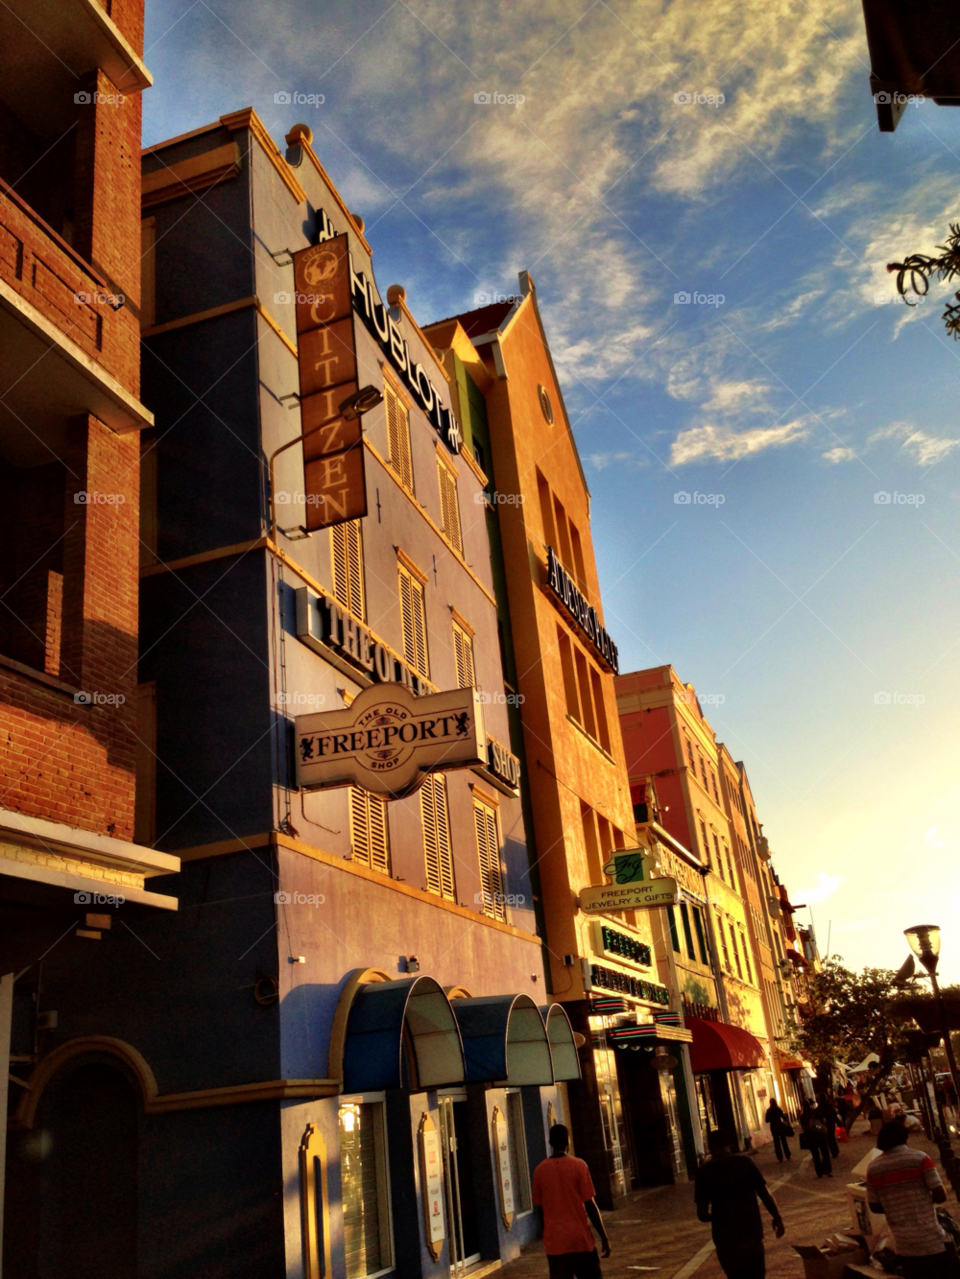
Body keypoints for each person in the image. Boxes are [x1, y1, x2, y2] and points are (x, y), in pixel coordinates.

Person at [866, 1119, 955, 1278]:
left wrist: (894, 1205)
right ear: (905, 1137)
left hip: (904, 1246)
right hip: (932, 1240)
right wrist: (920, 1200)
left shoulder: (873, 1168)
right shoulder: (920, 1158)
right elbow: (940, 1195)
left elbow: (874, 1206)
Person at [695, 1129, 785, 1279]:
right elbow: (764, 1193)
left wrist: (719, 1216)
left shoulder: (704, 1172)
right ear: (729, 1144)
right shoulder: (745, 1163)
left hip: (725, 1237)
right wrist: (777, 1217)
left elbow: (702, 1214)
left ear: (710, 1146)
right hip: (750, 1230)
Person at [532, 1124, 611, 1278]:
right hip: (580, 1240)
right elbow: (590, 1205)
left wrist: (547, 1234)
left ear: (550, 1143)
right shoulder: (579, 1166)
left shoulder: (540, 1171)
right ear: (568, 1141)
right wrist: (604, 1237)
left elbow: (540, 1210)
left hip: (555, 1244)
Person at [799, 1102, 832, 1178]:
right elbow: (824, 1120)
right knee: (825, 1152)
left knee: (815, 1155)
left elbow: (803, 1127)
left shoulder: (803, 1116)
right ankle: (827, 1169)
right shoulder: (815, 1112)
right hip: (820, 1135)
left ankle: (819, 1171)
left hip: (811, 1137)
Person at [764, 1099, 793, 1163]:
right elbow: (783, 1117)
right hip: (780, 1126)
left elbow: (767, 1120)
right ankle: (787, 1155)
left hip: (774, 1128)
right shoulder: (778, 1109)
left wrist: (772, 1118)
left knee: (776, 1143)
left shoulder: (769, 1111)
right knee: (784, 1141)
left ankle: (780, 1157)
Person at [816, 1092, 841, 1159]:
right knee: (832, 1137)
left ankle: (834, 1152)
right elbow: (833, 1114)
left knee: (829, 1138)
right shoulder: (828, 1105)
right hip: (831, 1123)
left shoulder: (819, 1107)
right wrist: (837, 1121)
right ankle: (835, 1150)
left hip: (825, 1124)